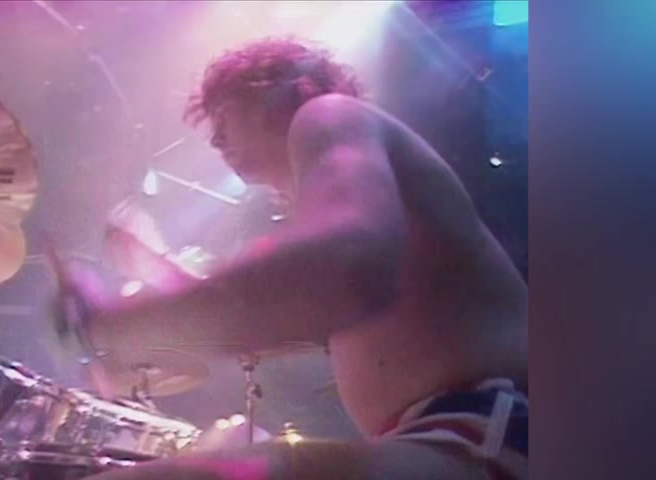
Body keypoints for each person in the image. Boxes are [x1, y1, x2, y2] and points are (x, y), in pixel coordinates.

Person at [51, 37, 528, 479]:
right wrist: (157, 271)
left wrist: (109, 324)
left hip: (485, 431)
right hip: (465, 437)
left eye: (223, 113)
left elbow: (347, 267)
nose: (214, 140)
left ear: (291, 88)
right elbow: (298, 312)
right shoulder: (365, 198)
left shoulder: (329, 112)